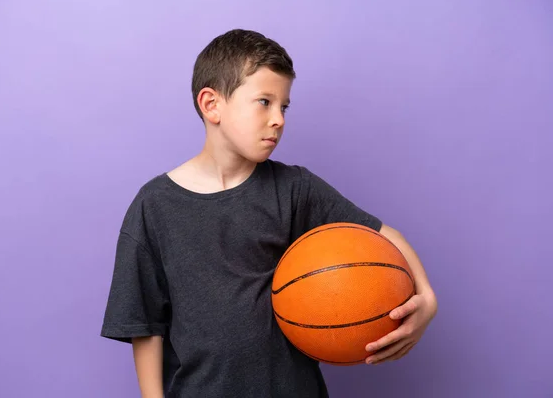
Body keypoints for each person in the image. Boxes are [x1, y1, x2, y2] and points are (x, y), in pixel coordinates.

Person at [100, 28, 438, 398]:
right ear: (212, 104)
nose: (279, 119)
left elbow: (385, 236)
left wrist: (427, 300)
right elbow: (146, 325)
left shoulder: (294, 188)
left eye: (285, 106)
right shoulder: (154, 205)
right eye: (264, 102)